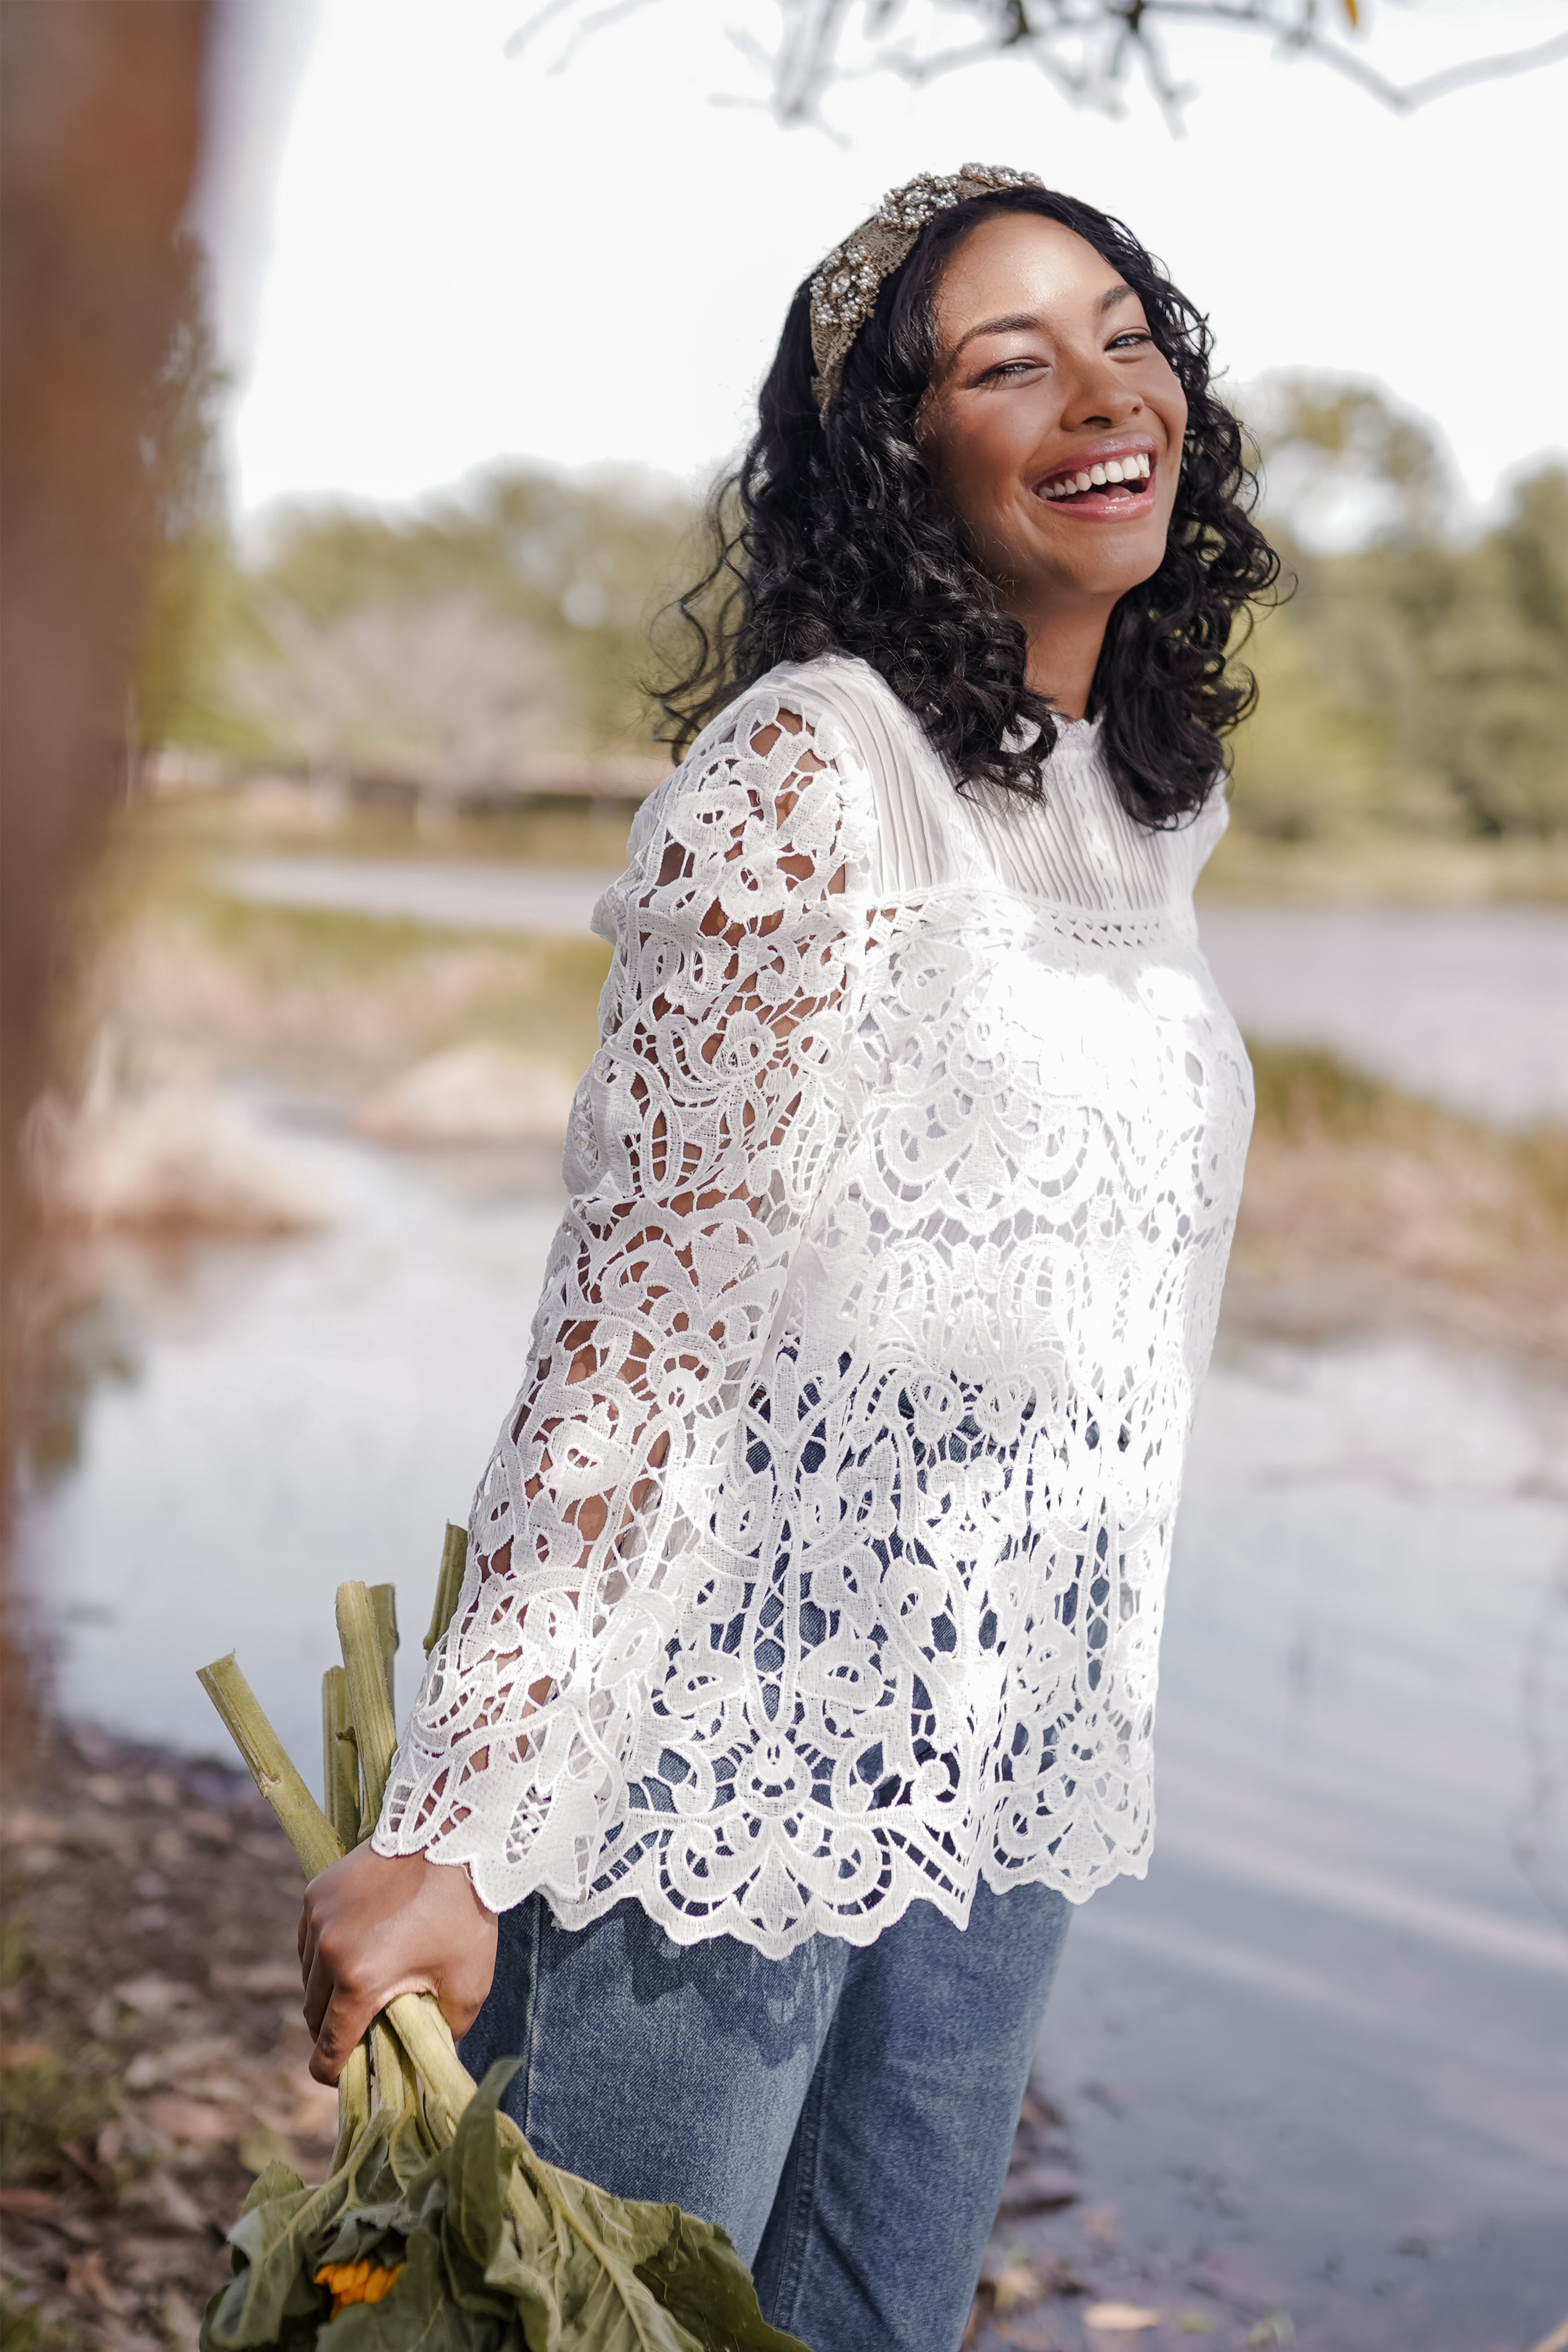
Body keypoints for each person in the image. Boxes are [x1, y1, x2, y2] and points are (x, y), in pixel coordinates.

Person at [298, 166, 1277, 2352]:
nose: (1097, 394)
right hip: (717, 1777)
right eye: (1006, 362)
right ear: (896, 448)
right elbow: (630, 1346)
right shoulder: (809, 779)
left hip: (1004, 1755)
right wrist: (455, 1825)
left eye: (1125, 335)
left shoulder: (1134, 801)